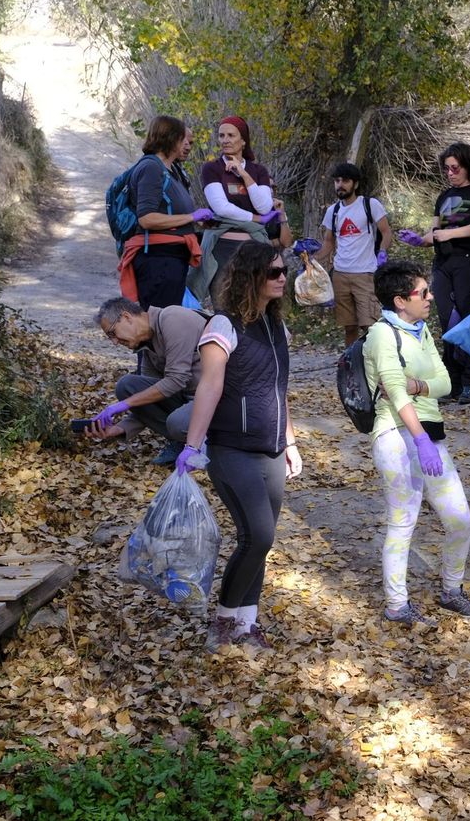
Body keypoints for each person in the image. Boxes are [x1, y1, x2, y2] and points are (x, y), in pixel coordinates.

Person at [176, 242, 303, 652]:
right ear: (250, 277)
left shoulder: (276, 327)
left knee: (261, 541)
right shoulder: (222, 327)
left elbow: (279, 388)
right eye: (274, 272)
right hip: (232, 449)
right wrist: (192, 446)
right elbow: (209, 387)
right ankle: (225, 620)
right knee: (257, 536)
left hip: (270, 449)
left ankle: (247, 623)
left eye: (284, 270)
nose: (282, 277)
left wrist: (290, 441)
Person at [363, 260, 470, 624]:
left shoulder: (422, 332)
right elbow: (393, 393)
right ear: (400, 300)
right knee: (403, 520)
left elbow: (446, 383)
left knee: (460, 518)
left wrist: (418, 386)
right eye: (423, 292)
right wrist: (418, 438)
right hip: (396, 435)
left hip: (431, 435)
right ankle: (397, 605)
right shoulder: (381, 334)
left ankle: (452, 590)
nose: (431, 297)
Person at [87, 297, 208, 465]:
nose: (114, 342)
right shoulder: (147, 344)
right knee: (127, 386)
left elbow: (176, 380)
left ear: (127, 317)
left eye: (113, 333)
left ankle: (207, 444)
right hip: (188, 399)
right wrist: (120, 428)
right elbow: (149, 399)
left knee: (177, 422)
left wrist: (124, 404)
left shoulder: (173, 319)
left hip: (217, 398)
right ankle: (184, 442)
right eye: (110, 338)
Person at [192, 115, 292, 303]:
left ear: (243, 140)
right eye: (221, 136)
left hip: (255, 248)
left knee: (257, 302)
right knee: (224, 304)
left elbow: (264, 207)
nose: (225, 140)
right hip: (222, 249)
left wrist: (243, 173)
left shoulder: (258, 171)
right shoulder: (212, 168)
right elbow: (221, 208)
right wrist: (256, 220)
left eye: (231, 135)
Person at [423, 142, 470, 404]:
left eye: (455, 168)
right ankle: (451, 382)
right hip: (443, 263)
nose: (450, 173)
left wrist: (450, 233)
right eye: (446, 169)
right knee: (447, 322)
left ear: (467, 166)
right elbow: (433, 232)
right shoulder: (443, 197)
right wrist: (420, 240)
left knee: (469, 321)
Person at [124, 115, 206, 309]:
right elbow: (146, 218)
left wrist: (196, 221)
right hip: (158, 262)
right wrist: (191, 217)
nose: (186, 144)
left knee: (168, 324)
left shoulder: (171, 170)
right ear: (171, 139)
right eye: (182, 139)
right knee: (159, 323)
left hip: (172, 260)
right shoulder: (151, 168)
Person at [320, 162, 392, 345]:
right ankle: (351, 365)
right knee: (349, 326)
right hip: (340, 275)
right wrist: (311, 261)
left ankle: (376, 364)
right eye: (336, 181)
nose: (340, 185)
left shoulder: (370, 204)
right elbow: (329, 242)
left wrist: (382, 252)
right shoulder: (333, 211)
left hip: (365, 274)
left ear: (356, 184)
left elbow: (386, 232)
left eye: (345, 180)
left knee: (370, 325)